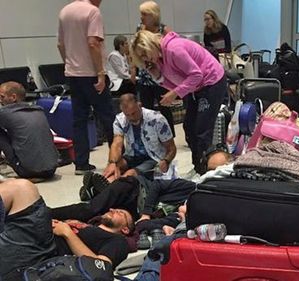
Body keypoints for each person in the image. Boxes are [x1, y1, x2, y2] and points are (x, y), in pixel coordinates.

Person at [130, 30, 227, 175]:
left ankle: (207, 170)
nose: (145, 59)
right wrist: (158, 77)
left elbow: (196, 75)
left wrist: (175, 93)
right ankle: (199, 167)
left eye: (144, 53)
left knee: (202, 130)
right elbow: (175, 82)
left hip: (211, 81)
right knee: (189, 127)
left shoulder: (174, 49)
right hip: (197, 87)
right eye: (141, 56)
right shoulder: (159, 59)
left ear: (150, 45)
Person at [0, 179, 133, 280]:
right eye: (114, 209)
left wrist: (67, 233)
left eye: (121, 213)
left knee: (22, 189)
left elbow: (101, 268)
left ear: (125, 229)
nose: (112, 210)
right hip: (32, 241)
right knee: (9, 185)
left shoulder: (118, 241)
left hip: (39, 257)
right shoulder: (86, 223)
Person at [58, 0, 116, 175]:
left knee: (79, 121)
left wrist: (69, 64)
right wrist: (100, 72)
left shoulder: (65, 11)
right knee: (109, 119)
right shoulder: (92, 12)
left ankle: (81, 164)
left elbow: (61, 44)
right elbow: (93, 43)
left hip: (73, 75)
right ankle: (117, 159)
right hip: (91, 74)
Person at [102, 93, 176, 183]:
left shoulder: (157, 119)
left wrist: (166, 161)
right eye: (127, 115)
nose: (131, 117)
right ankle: (103, 187)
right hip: (131, 156)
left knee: (129, 175)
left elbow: (171, 148)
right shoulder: (120, 120)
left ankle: (116, 188)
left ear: (139, 105)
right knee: (112, 170)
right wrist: (112, 163)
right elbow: (117, 144)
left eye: (134, 113)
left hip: (153, 158)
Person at [0, 82, 58, 179]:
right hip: (51, 169)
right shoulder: (38, 110)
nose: (0, 101)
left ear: (13, 97)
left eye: (2, 97)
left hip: (27, 171)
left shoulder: (5, 113)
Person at [135, 0, 176, 138]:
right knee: (146, 110)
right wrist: (133, 70)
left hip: (161, 76)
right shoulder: (139, 29)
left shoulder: (164, 30)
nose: (141, 17)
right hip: (145, 76)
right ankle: (150, 136)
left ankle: (169, 136)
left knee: (164, 107)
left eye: (144, 14)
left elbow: (173, 50)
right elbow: (135, 51)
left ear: (153, 15)